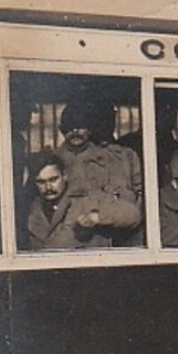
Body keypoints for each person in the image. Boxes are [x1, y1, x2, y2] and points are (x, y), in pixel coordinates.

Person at [54, 100, 144, 245]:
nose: (75, 131)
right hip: (65, 238)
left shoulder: (112, 158)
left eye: (81, 126)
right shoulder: (53, 161)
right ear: (61, 129)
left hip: (107, 235)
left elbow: (132, 201)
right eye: (70, 127)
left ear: (89, 129)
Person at [24, 148, 141, 251]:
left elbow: (133, 215)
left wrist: (98, 217)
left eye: (53, 180)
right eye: (41, 182)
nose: (48, 187)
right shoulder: (32, 210)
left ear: (65, 175)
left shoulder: (88, 199)